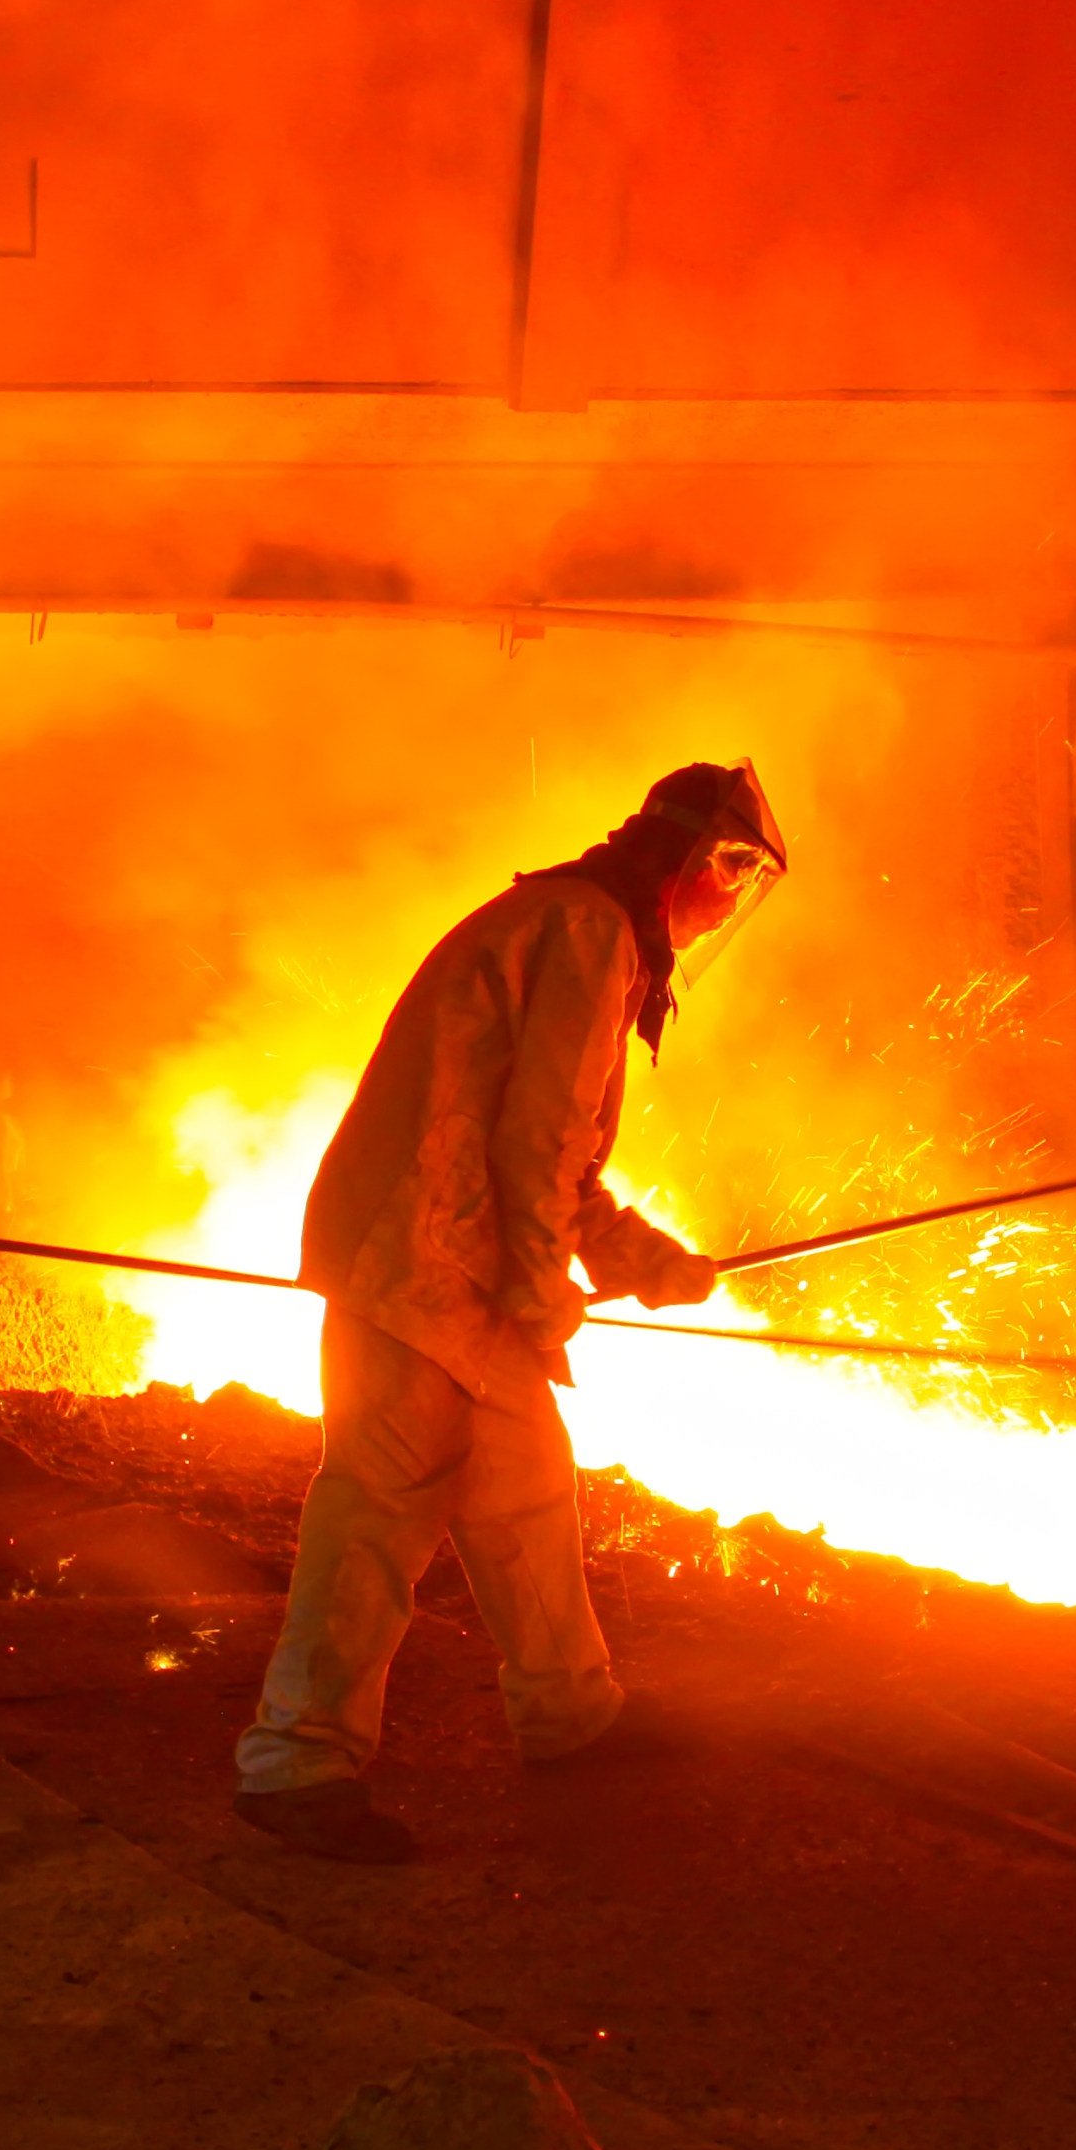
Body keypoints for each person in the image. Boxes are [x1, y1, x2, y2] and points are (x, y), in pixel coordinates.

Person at [233, 761, 789, 1863]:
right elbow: (534, 1145)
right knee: (379, 1516)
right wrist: (542, 1301)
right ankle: (295, 1765)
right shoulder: (589, 934)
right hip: (421, 1268)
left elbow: (558, 1165)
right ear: (687, 859)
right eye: (730, 871)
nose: (729, 900)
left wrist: (650, 1261)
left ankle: (570, 1713)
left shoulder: (572, 921)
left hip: (448, 1266)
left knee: (528, 1492)